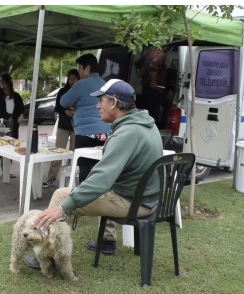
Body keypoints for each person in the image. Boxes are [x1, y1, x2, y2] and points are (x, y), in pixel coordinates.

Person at [24, 79, 163, 268]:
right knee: (101, 188)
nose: (97, 106)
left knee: (60, 196)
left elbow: (101, 181)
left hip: (134, 202)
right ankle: (107, 241)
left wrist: (64, 206)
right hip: (147, 198)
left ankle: (47, 258)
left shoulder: (126, 134)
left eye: (101, 101)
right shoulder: (146, 124)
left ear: (113, 103)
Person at [60, 53, 111, 183]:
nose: (79, 72)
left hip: (86, 133)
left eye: (80, 69)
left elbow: (63, 101)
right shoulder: (105, 84)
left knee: (85, 168)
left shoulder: (81, 84)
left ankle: (84, 200)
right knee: (101, 169)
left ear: (87, 68)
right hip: (106, 133)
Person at [42, 68, 80, 188]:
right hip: (63, 125)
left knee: (75, 154)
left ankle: (73, 179)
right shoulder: (63, 91)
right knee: (58, 152)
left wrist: (75, 112)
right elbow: (57, 107)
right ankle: (51, 177)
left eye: (74, 78)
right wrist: (65, 111)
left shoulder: (81, 91)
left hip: (76, 126)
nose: (71, 81)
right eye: (69, 78)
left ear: (78, 79)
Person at [137, 47, 174, 130]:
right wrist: (153, 82)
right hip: (154, 90)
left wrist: (141, 77)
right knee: (152, 114)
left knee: (145, 112)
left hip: (145, 88)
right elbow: (153, 65)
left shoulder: (149, 52)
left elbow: (138, 64)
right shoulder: (160, 54)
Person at [0, 72, 25, 140]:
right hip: (0, 124)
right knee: (1, 142)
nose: (1, 83)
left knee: (13, 141)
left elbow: (21, 108)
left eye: (3, 81)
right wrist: (6, 116)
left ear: (8, 81)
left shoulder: (16, 96)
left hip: (13, 123)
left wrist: (13, 117)